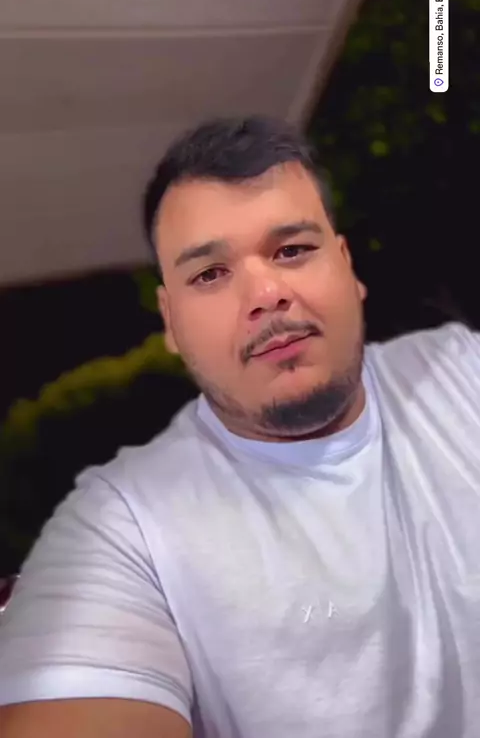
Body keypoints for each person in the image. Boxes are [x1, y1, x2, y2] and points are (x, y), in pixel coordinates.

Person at [1, 115, 479, 738]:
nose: (265, 293)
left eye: (292, 250)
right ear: (171, 323)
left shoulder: (460, 370)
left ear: (347, 266)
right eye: (209, 274)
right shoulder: (124, 530)